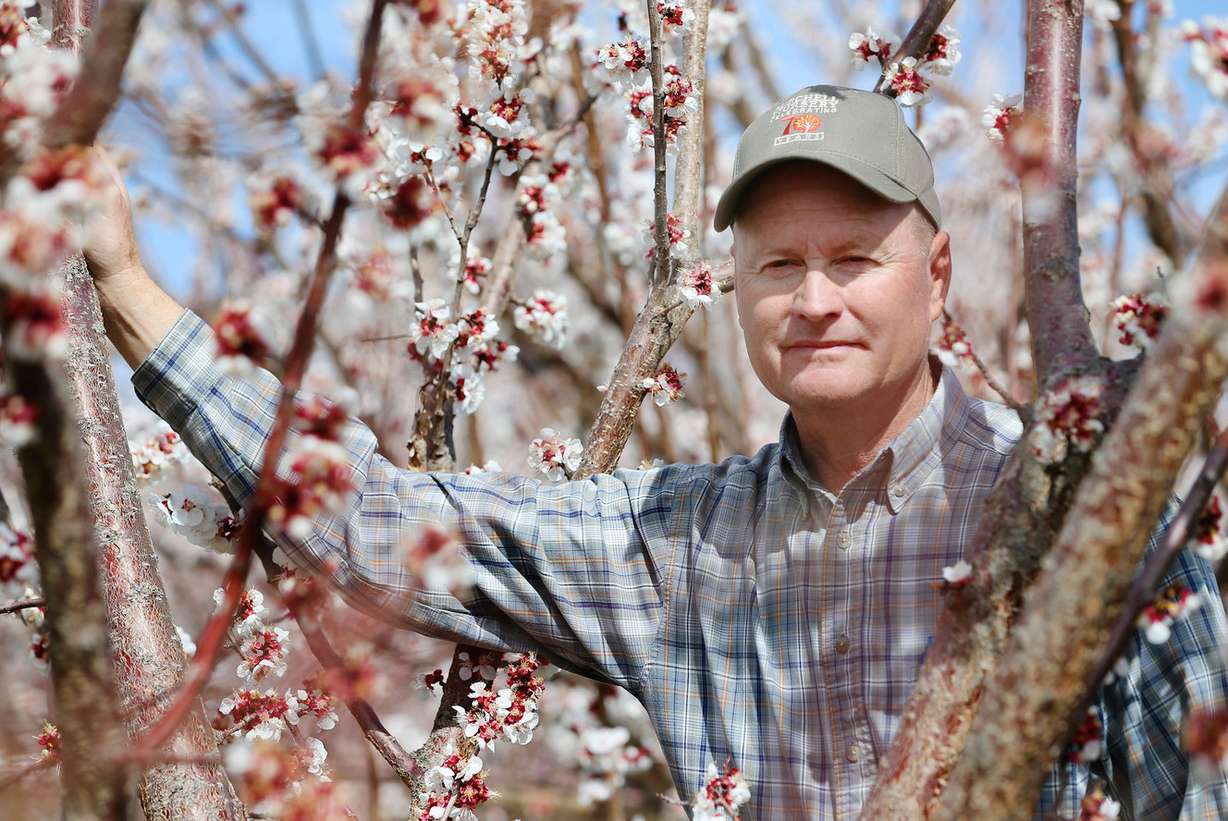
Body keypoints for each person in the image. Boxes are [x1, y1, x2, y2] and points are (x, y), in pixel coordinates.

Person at [84, 84, 1228, 818]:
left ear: (935, 279)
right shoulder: (677, 542)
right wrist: (129, 292)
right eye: (779, 265)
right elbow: (378, 522)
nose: (814, 299)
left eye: (854, 258)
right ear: (734, 290)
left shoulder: (1081, 513)